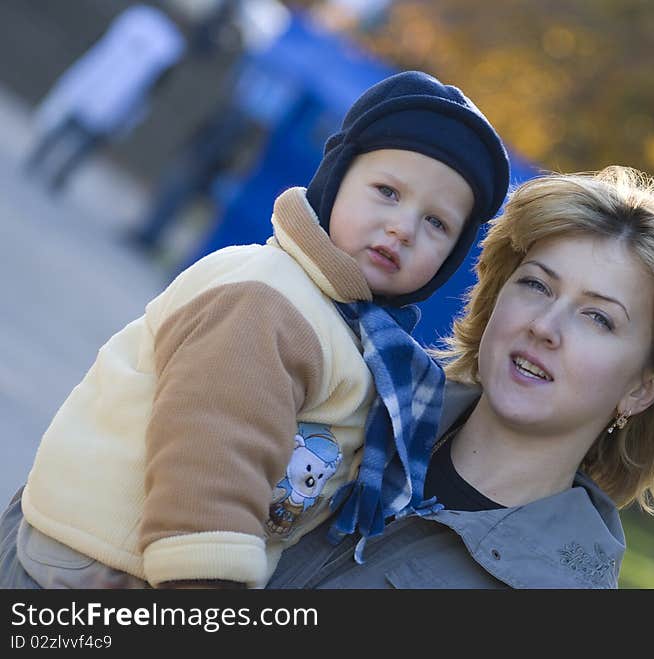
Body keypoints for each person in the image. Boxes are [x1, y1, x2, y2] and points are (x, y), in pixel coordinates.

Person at [0, 70, 510, 588]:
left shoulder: (352, 330)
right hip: (100, 568)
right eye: (386, 191)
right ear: (335, 180)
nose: (403, 226)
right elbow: (210, 463)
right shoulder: (268, 299)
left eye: (437, 223)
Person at [262, 165, 654, 588]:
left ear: (642, 389)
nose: (544, 326)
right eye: (536, 285)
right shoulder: (341, 394)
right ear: (495, 296)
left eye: (598, 318)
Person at [22, 3, 186, 194]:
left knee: (86, 134)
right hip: (106, 80)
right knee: (71, 123)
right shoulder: (145, 21)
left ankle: (59, 172)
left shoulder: (167, 40)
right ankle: (45, 161)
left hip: (121, 92)